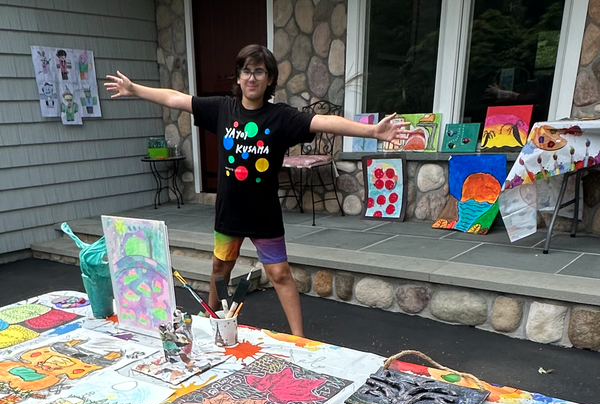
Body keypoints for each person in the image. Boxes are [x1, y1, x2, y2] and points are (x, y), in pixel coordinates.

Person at [105, 44, 408, 337]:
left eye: (259, 71)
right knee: (219, 269)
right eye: (246, 71)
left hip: (264, 214)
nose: (252, 77)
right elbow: (176, 99)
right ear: (238, 77)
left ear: (270, 79)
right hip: (229, 212)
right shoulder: (222, 109)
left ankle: (300, 339)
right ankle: (210, 323)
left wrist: (371, 130)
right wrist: (135, 89)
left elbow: (325, 121)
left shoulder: (282, 118)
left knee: (280, 274)